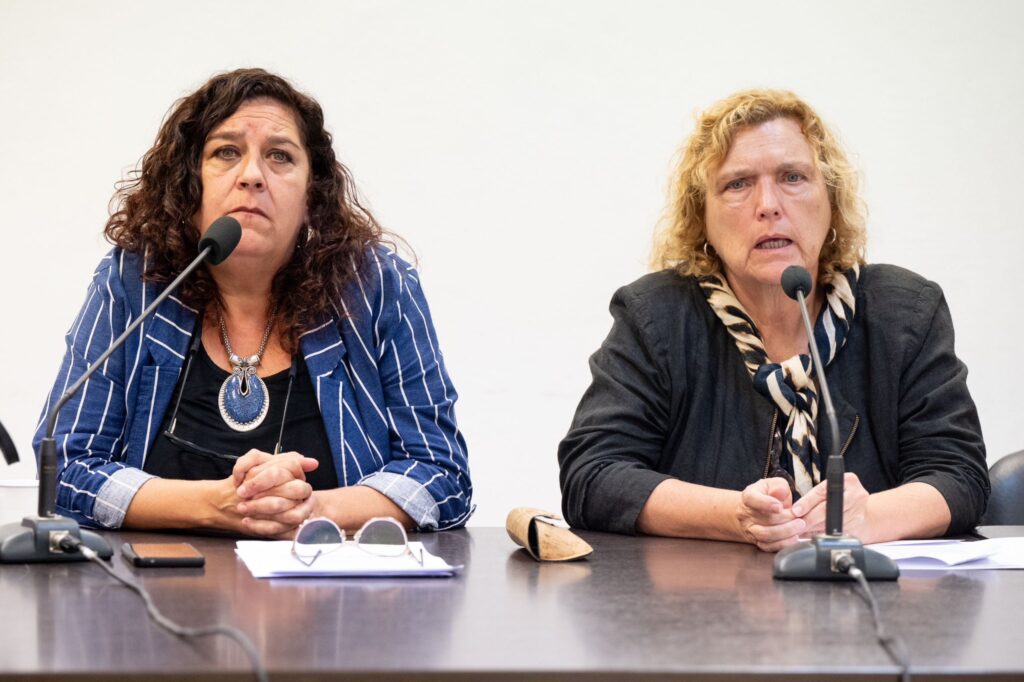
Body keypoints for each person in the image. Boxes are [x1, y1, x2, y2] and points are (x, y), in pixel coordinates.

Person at [34, 68, 472, 537]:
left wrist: (309, 509)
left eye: (279, 156)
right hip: (154, 592)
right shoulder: (135, 282)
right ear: (189, 184)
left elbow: (442, 476)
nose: (252, 176)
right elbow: (63, 466)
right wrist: (216, 504)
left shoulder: (375, 287)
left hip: (334, 595)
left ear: (311, 196)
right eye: (226, 152)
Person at [558, 89, 988, 551]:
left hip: (869, 604)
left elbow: (959, 474)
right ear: (702, 219)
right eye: (737, 184)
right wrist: (735, 517)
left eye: (792, 177)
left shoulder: (904, 312)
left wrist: (868, 518)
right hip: (701, 610)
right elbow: (594, 475)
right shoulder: (656, 316)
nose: (768, 204)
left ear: (831, 201)